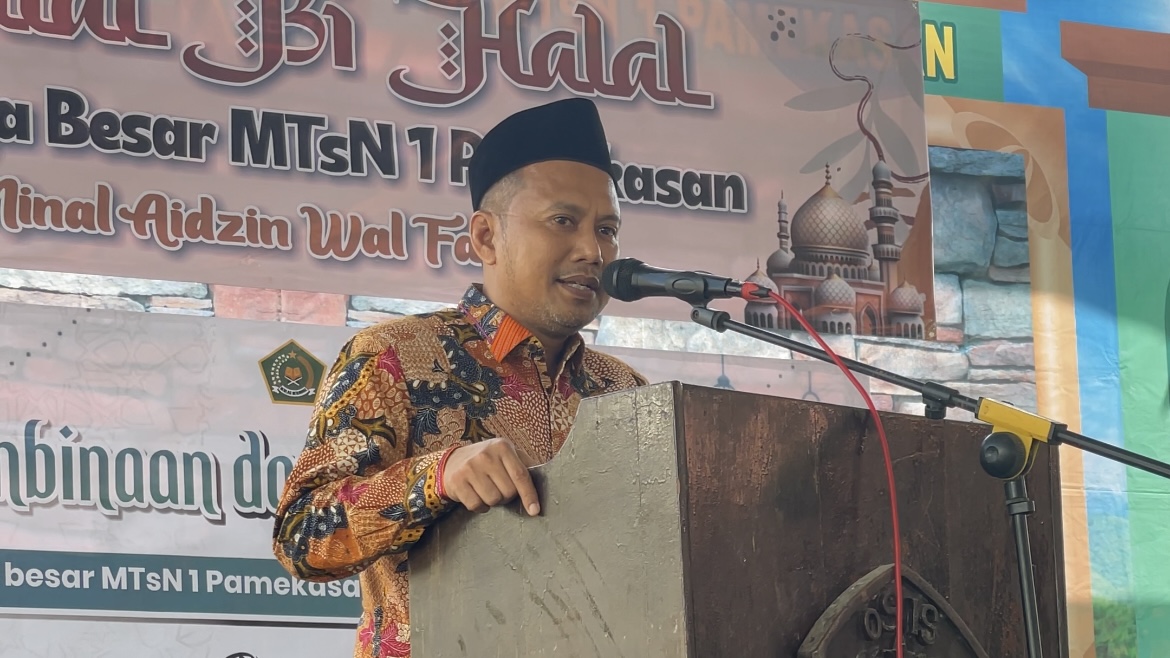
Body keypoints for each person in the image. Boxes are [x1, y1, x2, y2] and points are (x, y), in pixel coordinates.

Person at [271, 97, 647, 658]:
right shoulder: (393, 357)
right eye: (563, 221)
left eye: (608, 229)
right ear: (486, 237)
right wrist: (435, 478)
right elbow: (300, 538)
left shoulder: (627, 392)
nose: (594, 251)